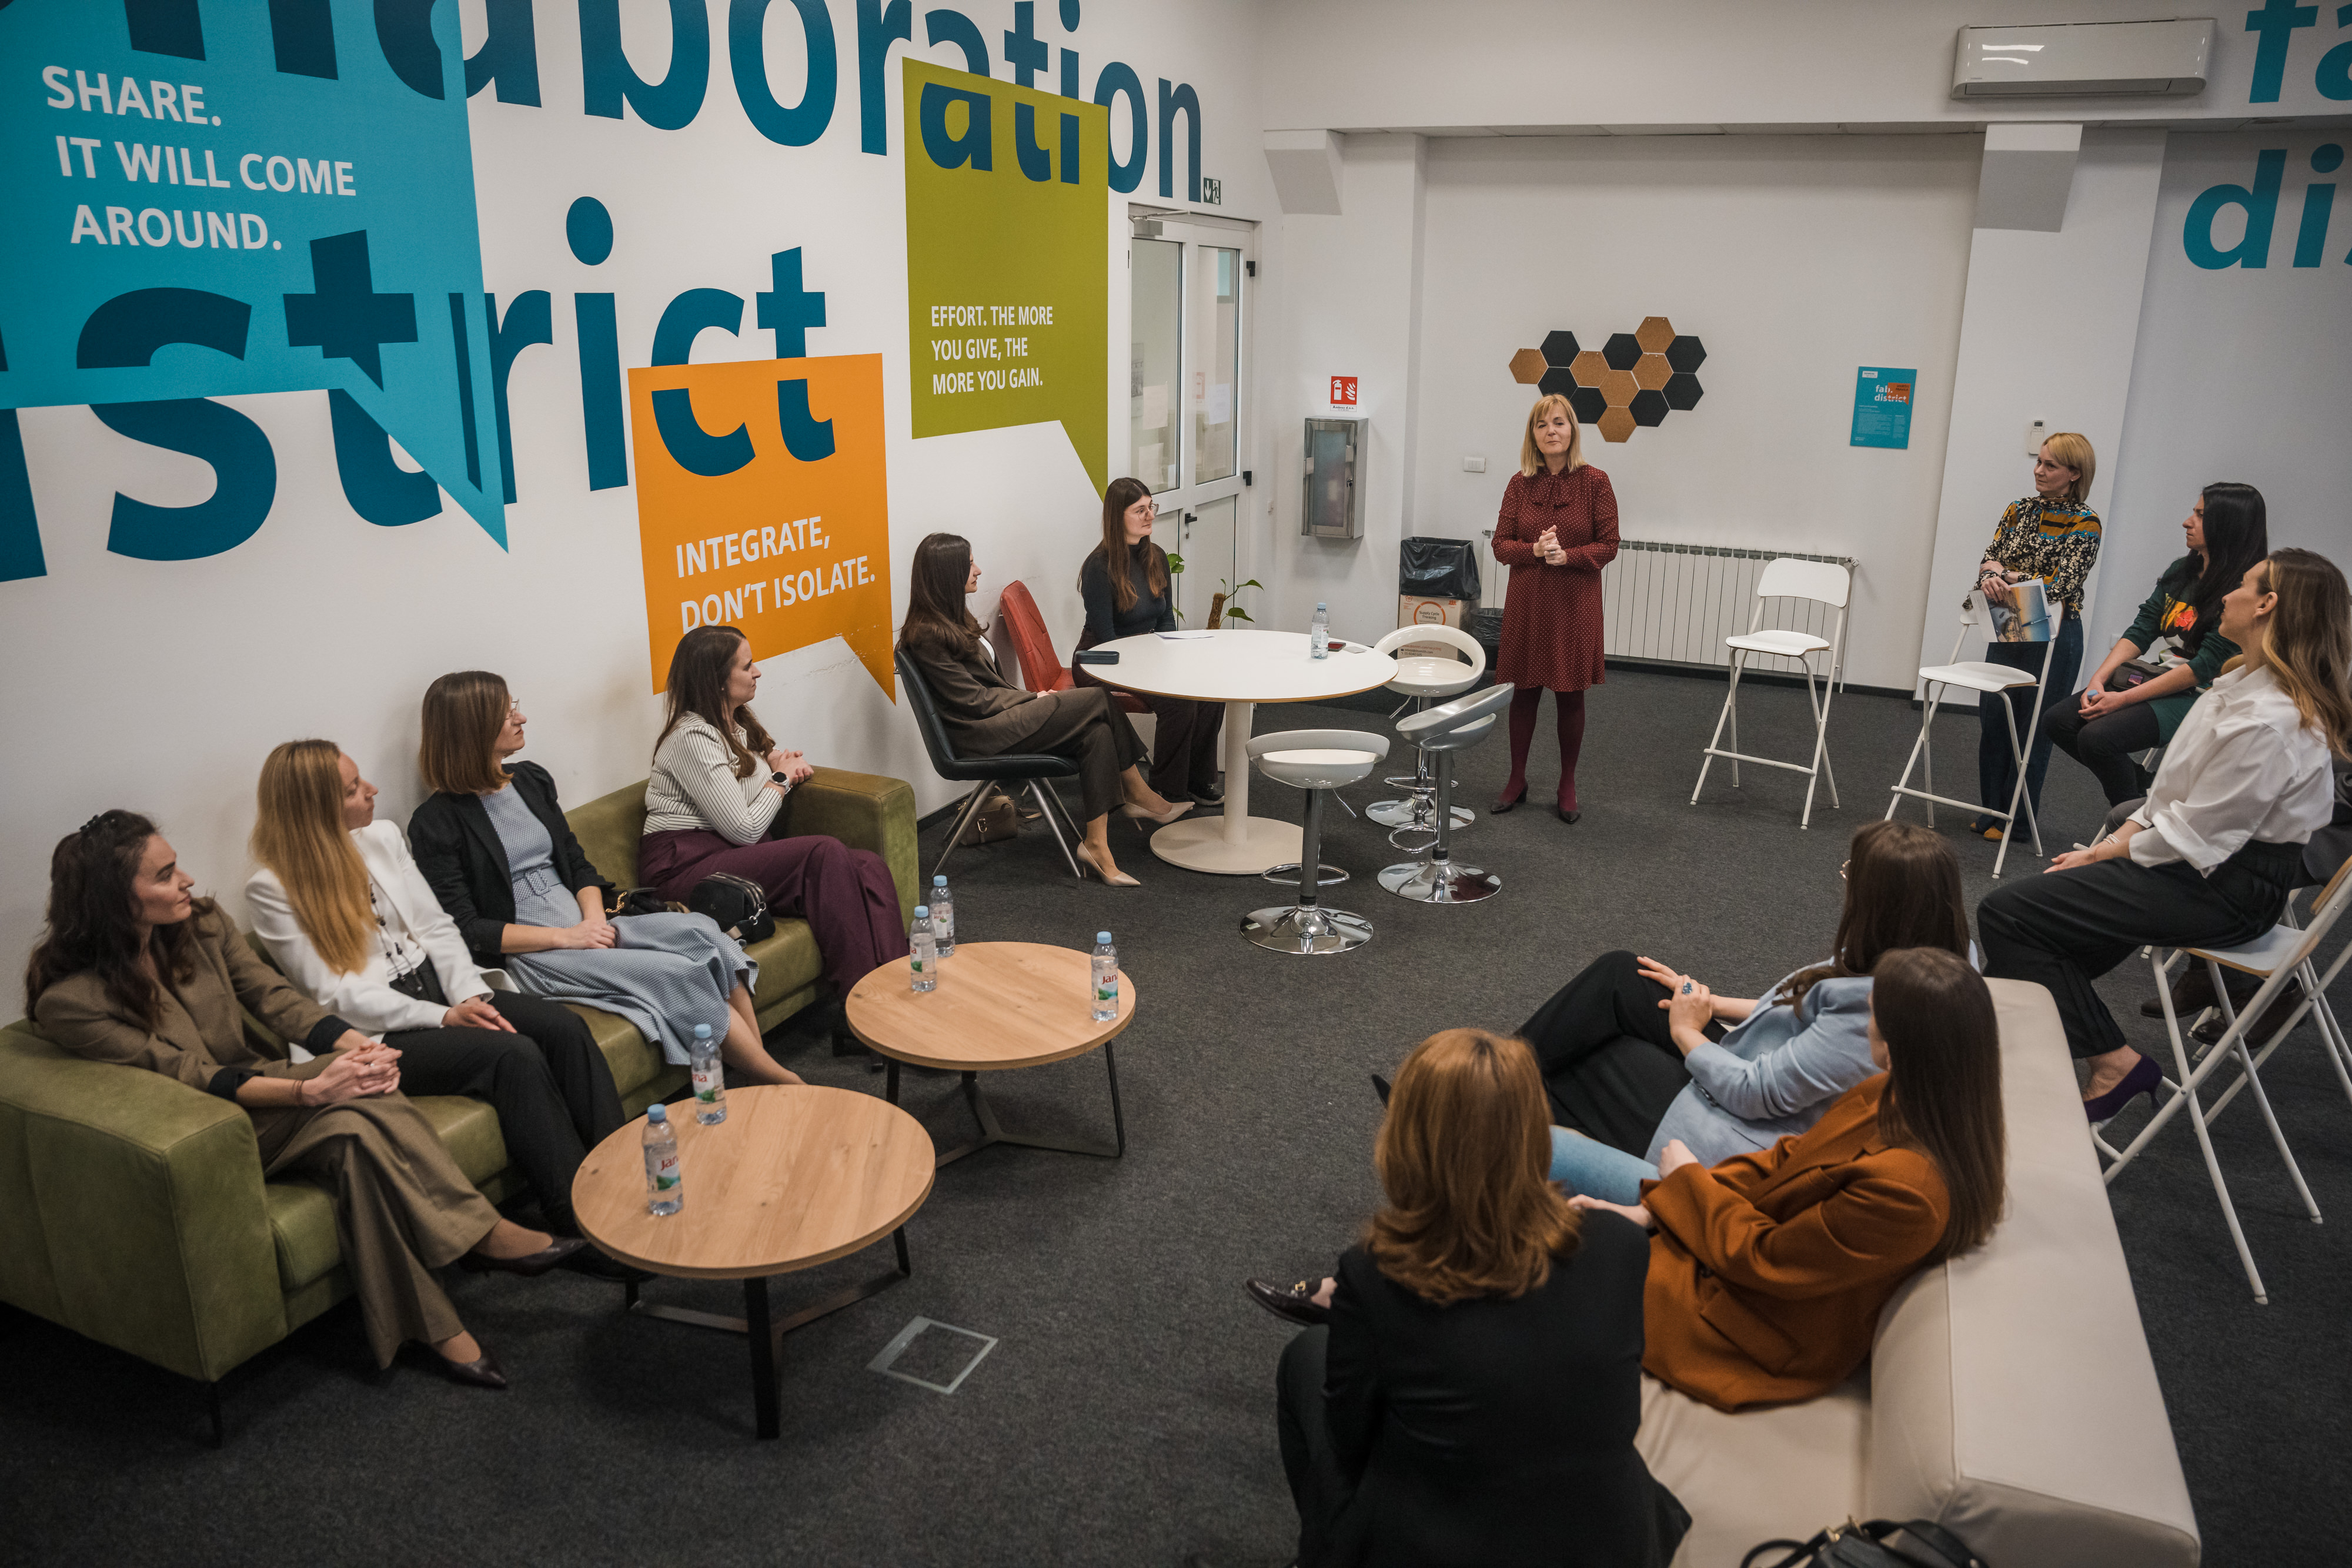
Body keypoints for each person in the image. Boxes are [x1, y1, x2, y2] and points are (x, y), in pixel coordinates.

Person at [27, 813, 584, 1388]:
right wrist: (308, 1089)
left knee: (357, 1132)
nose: (187, 880)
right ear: (115, 899)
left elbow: (274, 997)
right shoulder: (72, 1002)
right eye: (166, 875)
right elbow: (186, 1075)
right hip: (213, 1127)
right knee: (355, 1099)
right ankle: (481, 1235)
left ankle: (438, 1327)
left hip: (264, 1087)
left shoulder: (201, 924)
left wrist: (358, 1046)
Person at [1265, 1029, 1689, 1568]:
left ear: (1406, 1143)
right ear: (1536, 1134)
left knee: (1305, 1357)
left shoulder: (1376, 1277)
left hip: (1445, 1547)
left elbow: (1351, 1440)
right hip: (1608, 1543)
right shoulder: (1622, 1245)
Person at [1980, 547, 2352, 1119]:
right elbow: (2166, 797)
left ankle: (2114, 1063)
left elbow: (2192, 836)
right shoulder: (2241, 683)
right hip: (2197, 867)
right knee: (2041, 946)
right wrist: (2113, 845)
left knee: (2008, 917)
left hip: (2225, 889)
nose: (2226, 594)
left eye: (2242, 585)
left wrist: (2108, 853)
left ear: (2267, 605)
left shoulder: (2271, 719)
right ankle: (2001, 1060)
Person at [1569, 947, 2007, 1411]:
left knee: (1553, 1237)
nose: (1864, 1022)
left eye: (1873, 1015)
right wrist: (1655, 1207)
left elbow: (1767, 1259)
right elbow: (1785, 1159)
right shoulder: (1904, 1097)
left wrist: (1685, 1184)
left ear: (1895, 1049)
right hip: (1730, 1248)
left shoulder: (1908, 1192)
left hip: (1747, 1325)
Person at [246, 740, 626, 1256]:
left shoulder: (382, 836)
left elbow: (437, 927)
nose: (372, 790)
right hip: (380, 1031)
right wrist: (444, 1016)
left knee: (564, 1028)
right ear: (313, 809)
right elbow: (333, 994)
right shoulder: (271, 889)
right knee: (511, 1055)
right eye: (353, 789)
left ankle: (623, 1181)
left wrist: (468, 994)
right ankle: (580, 1221)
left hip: (447, 991)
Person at [1529, 818, 1972, 1204]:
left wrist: (1687, 1032)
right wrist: (1711, 1003)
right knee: (1624, 976)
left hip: (1744, 1127)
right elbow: (1797, 1006)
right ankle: (1500, 1085)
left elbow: (1755, 1093)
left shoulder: (1879, 1008)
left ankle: (1501, 1102)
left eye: (1852, 875)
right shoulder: (1938, 952)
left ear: (1881, 905)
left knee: (1594, 1059)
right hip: (1755, 1059)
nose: (1846, 883)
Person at [407, 671, 803, 1086]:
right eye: (508, 714)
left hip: (589, 925)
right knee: (677, 973)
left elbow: (578, 866)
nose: (521, 718)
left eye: (515, 707)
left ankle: (755, 1068)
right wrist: (568, 938)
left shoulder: (530, 780)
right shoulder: (435, 823)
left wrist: (594, 922)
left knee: (704, 931)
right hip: (536, 952)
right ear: (474, 728)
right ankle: (782, 1081)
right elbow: (469, 929)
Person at [639, 623, 908, 1045]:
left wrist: (778, 766)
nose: (758, 672)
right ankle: (859, 1015)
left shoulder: (735, 726)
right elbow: (745, 829)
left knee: (867, 865)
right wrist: (779, 779)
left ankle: (898, 994)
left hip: (724, 855)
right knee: (822, 852)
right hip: (685, 869)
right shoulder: (691, 738)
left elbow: (747, 796)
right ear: (717, 679)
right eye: (747, 666)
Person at [898, 531, 1188, 887]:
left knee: (1097, 732)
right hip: (979, 734)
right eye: (970, 564)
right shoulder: (926, 635)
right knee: (1098, 698)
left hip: (998, 720)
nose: (979, 570)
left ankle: (1096, 845)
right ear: (947, 574)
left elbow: (987, 690)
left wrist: (1031, 698)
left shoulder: (953, 619)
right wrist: (1032, 698)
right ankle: (1138, 792)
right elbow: (973, 702)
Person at [2046, 482, 2268, 809]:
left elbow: (2203, 668)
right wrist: (2098, 679)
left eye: (2200, 515)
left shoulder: (2242, 591)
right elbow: (2142, 629)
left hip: (2206, 694)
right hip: (2164, 676)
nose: (2187, 522)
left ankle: (2131, 817)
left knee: (2098, 738)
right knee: (2060, 721)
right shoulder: (2182, 571)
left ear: (2229, 525)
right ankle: (2142, 790)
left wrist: (2121, 700)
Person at [1489, 393, 1619, 824]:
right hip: (1528, 601)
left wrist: (1570, 556)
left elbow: (1609, 544)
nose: (1551, 431)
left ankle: (1567, 783)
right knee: (1524, 692)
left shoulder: (1596, 482)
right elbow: (1500, 545)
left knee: (1569, 694)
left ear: (1572, 430)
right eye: (1542, 425)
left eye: (1559, 423)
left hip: (1574, 604)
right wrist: (1534, 549)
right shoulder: (1519, 484)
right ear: (1533, 435)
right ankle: (1517, 779)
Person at [1969, 432, 2100, 838]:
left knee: (2032, 730)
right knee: (1995, 719)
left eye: (2050, 465)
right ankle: (1991, 811)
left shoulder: (2086, 522)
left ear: (2074, 474)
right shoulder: (2018, 509)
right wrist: (1991, 576)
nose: (2039, 471)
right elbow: (1989, 559)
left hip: (2055, 632)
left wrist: (2005, 574)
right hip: (2010, 619)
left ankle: (2018, 822)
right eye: (2039, 462)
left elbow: (2061, 585)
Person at [1074, 477, 1224, 804]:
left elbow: (1166, 619)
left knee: (1211, 692)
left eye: (1151, 506)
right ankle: (1166, 789)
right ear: (1118, 516)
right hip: (1103, 661)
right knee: (1179, 701)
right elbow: (1107, 639)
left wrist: (1172, 656)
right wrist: (1153, 665)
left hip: (1147, 654)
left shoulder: (1156, 556)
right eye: (1140, 510)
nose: (1150, 515)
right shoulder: (1099, 567)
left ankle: (1197, 780)